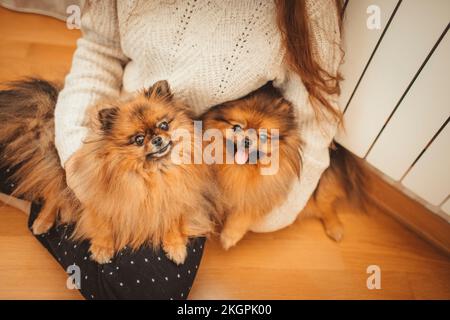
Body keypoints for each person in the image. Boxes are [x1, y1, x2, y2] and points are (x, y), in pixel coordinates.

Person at [2, 0, 343, 299]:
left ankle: (41, 201)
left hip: (199, 154)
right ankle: (52, 195)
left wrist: (256, 209)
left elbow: (317, 116)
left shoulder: (309, 6)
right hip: (117, 124)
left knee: (147, 291)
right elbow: (99, 49)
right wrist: (74, 156)